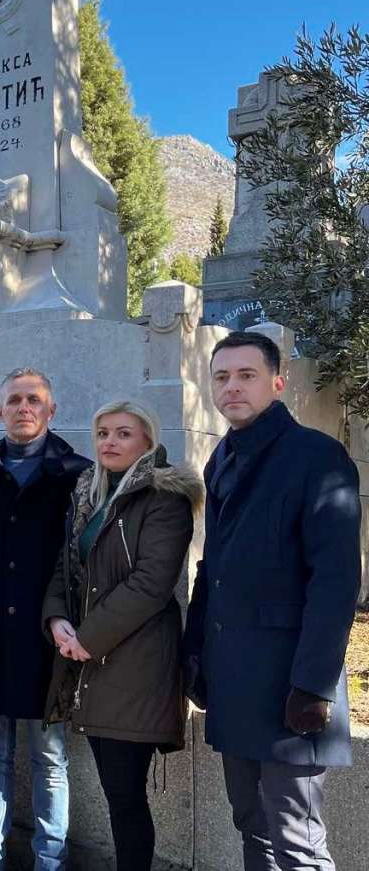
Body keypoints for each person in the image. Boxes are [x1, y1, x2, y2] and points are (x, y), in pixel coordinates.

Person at [183, 331, 361, 870]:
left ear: (277, 383)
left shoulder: (317, 456)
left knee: (296, 840)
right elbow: (212, 570)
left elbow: (334, 581)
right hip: (235, 681)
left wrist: (311, 684)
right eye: (221, 376)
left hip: (290, 688)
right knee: (251, 826)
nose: (231, 387)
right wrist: (197, 657)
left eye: (246, 375)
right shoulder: (221, 461)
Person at [42, 400, 199, 871]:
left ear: (148, 442)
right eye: (103, 432)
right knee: (117, 794)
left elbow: (151, 584)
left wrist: (86, 638)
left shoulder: (165, 498)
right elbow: (64, 567)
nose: (109, 442)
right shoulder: (88, 493)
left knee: (126, 796)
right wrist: (55, 620)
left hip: (135, 665)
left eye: (123, 433)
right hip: (89, 660)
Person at [0, 368, 90, 871]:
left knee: (50, 762)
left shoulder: (77, 474)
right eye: (14, 400)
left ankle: (49, 863)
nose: (23, 407)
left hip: (46, 644)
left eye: (34, 400)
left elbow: (82, 566)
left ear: (51, 411)